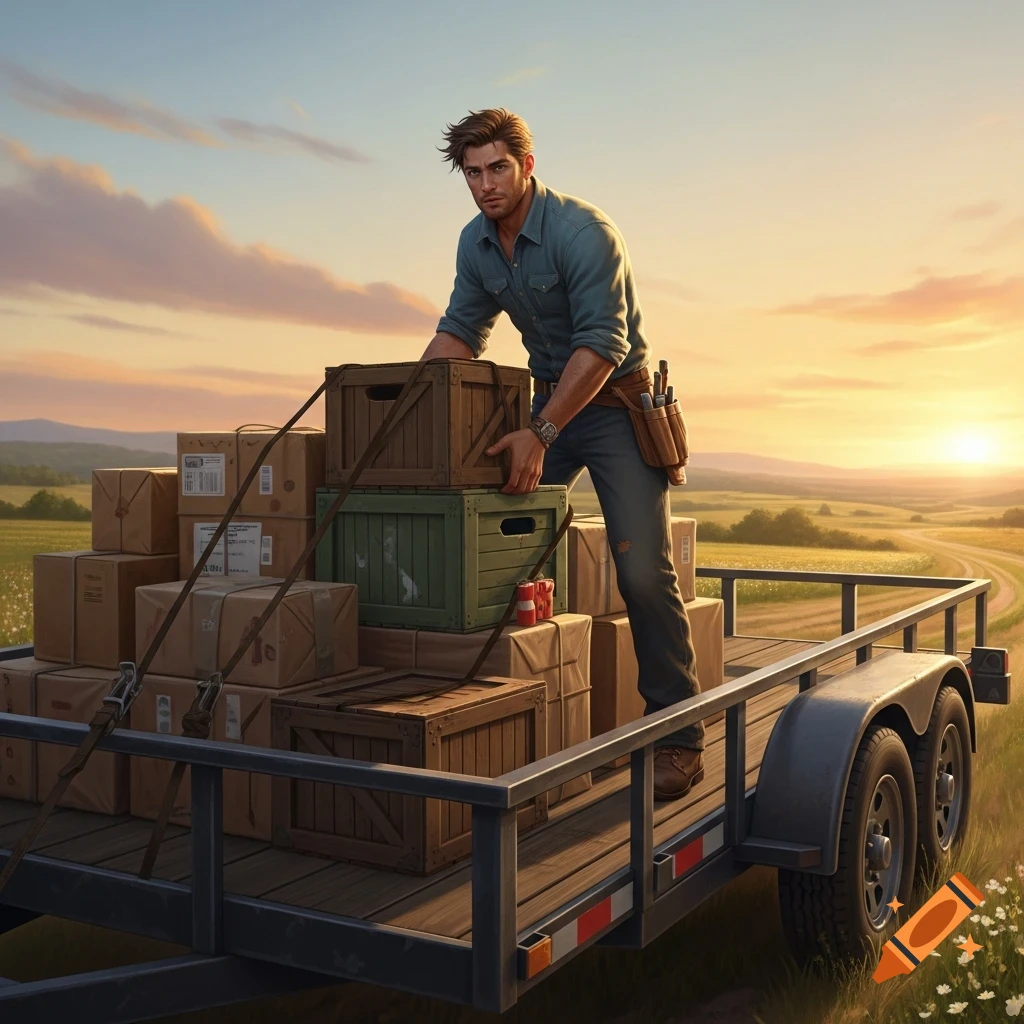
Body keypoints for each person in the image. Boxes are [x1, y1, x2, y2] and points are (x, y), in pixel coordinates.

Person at [419, 108, 704, 801]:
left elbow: (603, 345)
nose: (486, 185)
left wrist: (541, 433)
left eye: (498, 169)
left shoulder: (585, 233)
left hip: (612, 406)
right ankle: (488, 715)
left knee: (641, 572)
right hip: (545, 403)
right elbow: (461, 330)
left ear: (527, 166)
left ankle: (679, 739)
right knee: (480, 531)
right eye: (473, 173)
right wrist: (405, 401)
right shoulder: (475, 244)